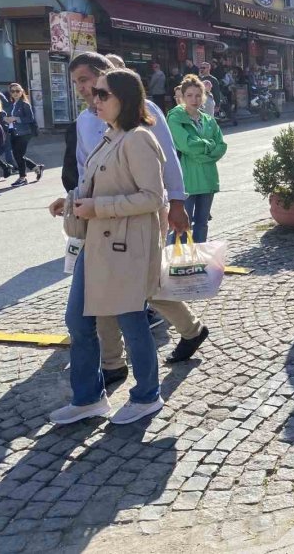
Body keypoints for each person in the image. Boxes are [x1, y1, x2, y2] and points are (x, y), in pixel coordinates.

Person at [66, 52, 207, 378]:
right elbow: (82, 166)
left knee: (143, 285)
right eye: (77, 83)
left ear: (103, 76)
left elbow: (166, 161)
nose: (82, 89)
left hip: (139, 213)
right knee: (106, 287)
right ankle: (113, 361)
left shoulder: (143, 112)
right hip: (99, 218)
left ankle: (189, 330)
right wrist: (74, 201)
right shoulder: (86, 120)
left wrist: (176, 203)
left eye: (86, 81)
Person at [48, 68, 166, 426]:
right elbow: (97, 184)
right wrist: (70, 202)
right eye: (94, 92)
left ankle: (147, 395)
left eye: (103, 94)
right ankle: (88, 398)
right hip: (98, 244)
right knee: (78, 320)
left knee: (131, 321)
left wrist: (99, 208)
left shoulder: (138, 138)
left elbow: (151, 197)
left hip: (124, 247)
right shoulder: (110, 135)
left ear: (124, 100)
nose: (94, 98)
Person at [167, 76, 227, 243]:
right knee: (182, 225)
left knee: (202, 223)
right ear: (182, 97)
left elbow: (221, 146)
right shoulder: (175, 118)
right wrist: (209, 147)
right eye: (189, 95)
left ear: (203, 97)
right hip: (186, 180)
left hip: (208, 178)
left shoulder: (208, 120)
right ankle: (179, 262)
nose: (194, 99)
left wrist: (202, 150)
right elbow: (186, 145)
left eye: (198, 95)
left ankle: (200, 260)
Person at [3, 83, 43, 186]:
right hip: (12, 132)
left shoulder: (25, 104)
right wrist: (6, 119)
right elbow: (8, 117)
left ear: (22, 92)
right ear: (10, 93)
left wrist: (16, 119)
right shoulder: (11, 105)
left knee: (18, 155)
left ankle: (22, 177)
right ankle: (36, 167)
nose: (15, 93)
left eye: (17, 91)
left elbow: (30, 119)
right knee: (18, 155)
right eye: (13, 91)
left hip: (24, 133)